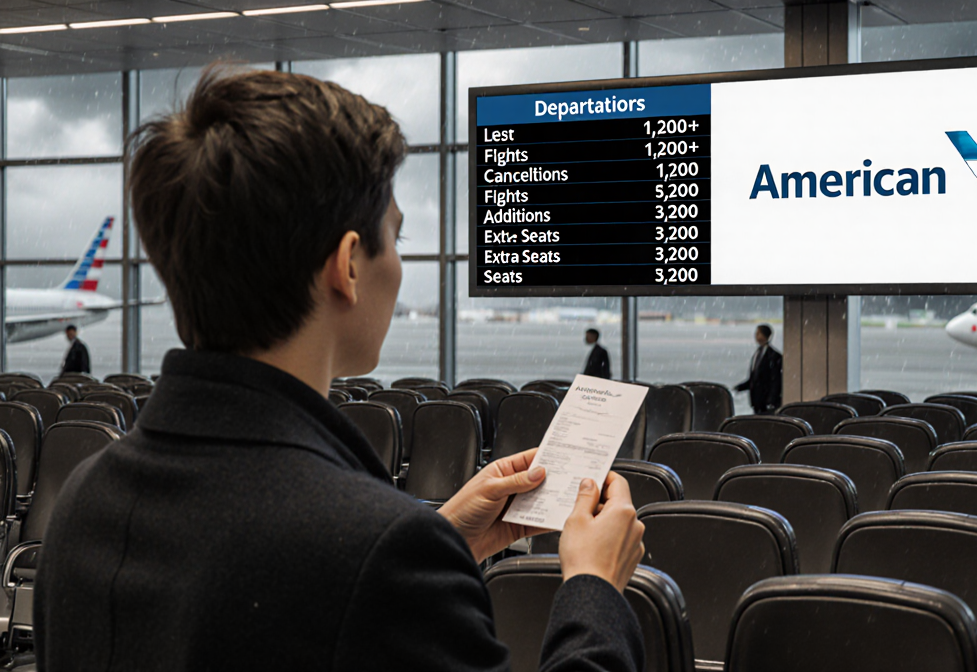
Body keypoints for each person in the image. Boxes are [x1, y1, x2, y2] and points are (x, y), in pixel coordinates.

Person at [34, 67, 645, 671]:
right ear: (348, 265)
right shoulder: (374, 553)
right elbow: (330, 583)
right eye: (397, 238)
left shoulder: (86, 500)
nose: (401, 267)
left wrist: (442, 542)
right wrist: (594, 590)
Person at [735, 323, 782, 414]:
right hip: (756, 400)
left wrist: (771, 400)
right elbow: (754, 378)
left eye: (758, 333)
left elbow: (775, 380)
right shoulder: (757, 354)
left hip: (766, 401)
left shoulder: (774, 356)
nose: (755, 336)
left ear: (765, 335)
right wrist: (740, 387)